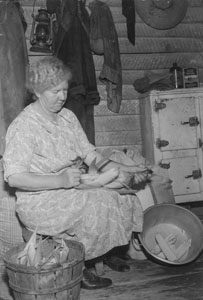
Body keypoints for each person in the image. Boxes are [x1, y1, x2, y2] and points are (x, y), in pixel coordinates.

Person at [3, 57, 174, 290]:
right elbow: (14, 177)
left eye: (64, 90)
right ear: (38, 91)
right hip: (40, 199)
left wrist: (119, 168)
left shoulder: (67, 117)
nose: (62, 97)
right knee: (97, 202)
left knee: (124, 194)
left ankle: (106, 250)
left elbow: (89, 154)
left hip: (73, 184)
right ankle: (80, 268)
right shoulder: (24, 126)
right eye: (55, 91)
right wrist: (59, 180)